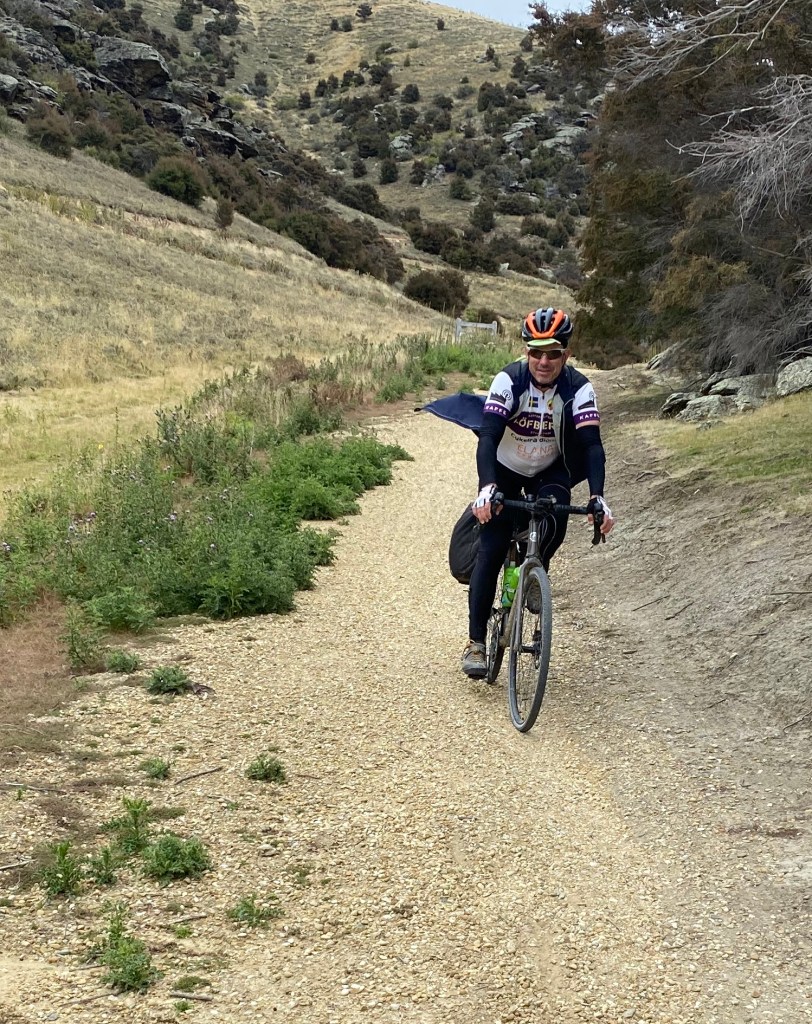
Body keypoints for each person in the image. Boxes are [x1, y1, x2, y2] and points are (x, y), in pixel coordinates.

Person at [461, 307, 615, 679]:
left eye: (553, 353)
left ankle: (536, 568)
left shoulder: (579, 388)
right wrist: (487, 487)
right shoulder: (509, 380)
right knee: (492, 547)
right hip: (506, 468)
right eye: (536, 352)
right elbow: (488, 437)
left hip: (549, 469)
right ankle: (476, 643)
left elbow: (592, 446)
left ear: (567, 353)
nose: (544, 361)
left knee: (557, 513)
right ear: (526, 351)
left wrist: (597, 496)